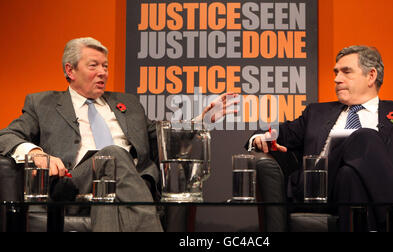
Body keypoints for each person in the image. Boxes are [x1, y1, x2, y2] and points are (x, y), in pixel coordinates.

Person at [0, 37, 237, 232]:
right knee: (112, 154)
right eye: (93, 66)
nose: (103, 72)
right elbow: (6, 135)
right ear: (70, 70)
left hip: (130, 183)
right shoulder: (43, 103)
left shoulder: (128, 103)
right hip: (76, 181)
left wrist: (202, 121)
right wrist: (35, 152)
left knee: (110, 195)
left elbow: (163, 136)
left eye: (105, 66)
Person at [248, 45, 393, 231]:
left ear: (371, 76)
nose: (336, 79)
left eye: (346, 72)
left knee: (350, 174)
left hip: (358, 188)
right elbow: (278, 132)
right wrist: (261, 138)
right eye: (335, 72)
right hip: (318, 187)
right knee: (365, 136)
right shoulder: (316, 112)